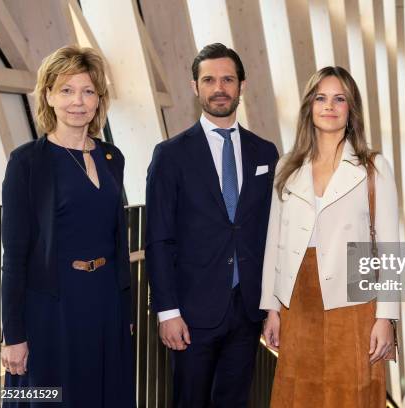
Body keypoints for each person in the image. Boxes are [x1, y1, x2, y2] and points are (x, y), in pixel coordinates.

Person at [145, 43, 279, 407]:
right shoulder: (170, 155)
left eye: (227, 79)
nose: (219, 88)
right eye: (209, 80)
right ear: (195, 87)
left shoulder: (265, 152)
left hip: (248, 310)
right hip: (191, 313)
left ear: (241, 86)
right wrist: (168, 312)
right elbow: (158, 238)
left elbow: (272, 233)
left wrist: (272, 306)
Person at [0, 46, 135, 407]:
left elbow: (117, 241)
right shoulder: (27, 163)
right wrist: (12, 335)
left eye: (88, 91)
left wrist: (126, 312)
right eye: (66, 90)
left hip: (105, 303)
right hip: (52, 309)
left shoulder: (112, 157)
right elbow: (13, 256)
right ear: (48, 95)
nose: (78, 101)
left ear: (98, 100)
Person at [260, 66, 399, 407]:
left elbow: (391, 248)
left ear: (351, 109)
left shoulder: (373, 166)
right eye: (321, 98)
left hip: (353, 302)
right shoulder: (288, 167)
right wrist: (271, 309)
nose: (329, 106)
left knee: (349, 395)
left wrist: (387, 317)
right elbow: (273, 244)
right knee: (298, 395)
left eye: (340, 99)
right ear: (309, 105)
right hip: (297, 301)